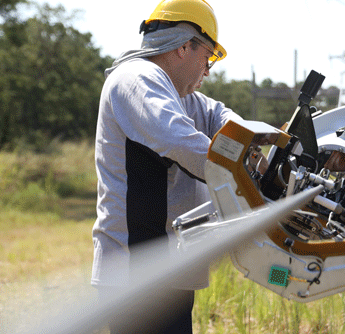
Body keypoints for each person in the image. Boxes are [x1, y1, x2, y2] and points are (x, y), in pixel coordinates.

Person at [91, 0, 241, 332]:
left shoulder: (179, 95)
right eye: (208, 59)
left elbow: (223, 119)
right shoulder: (135, 78)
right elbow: (180, 142)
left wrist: (265, 144)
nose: (207, 71)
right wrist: (246, 176)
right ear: (184, 46)